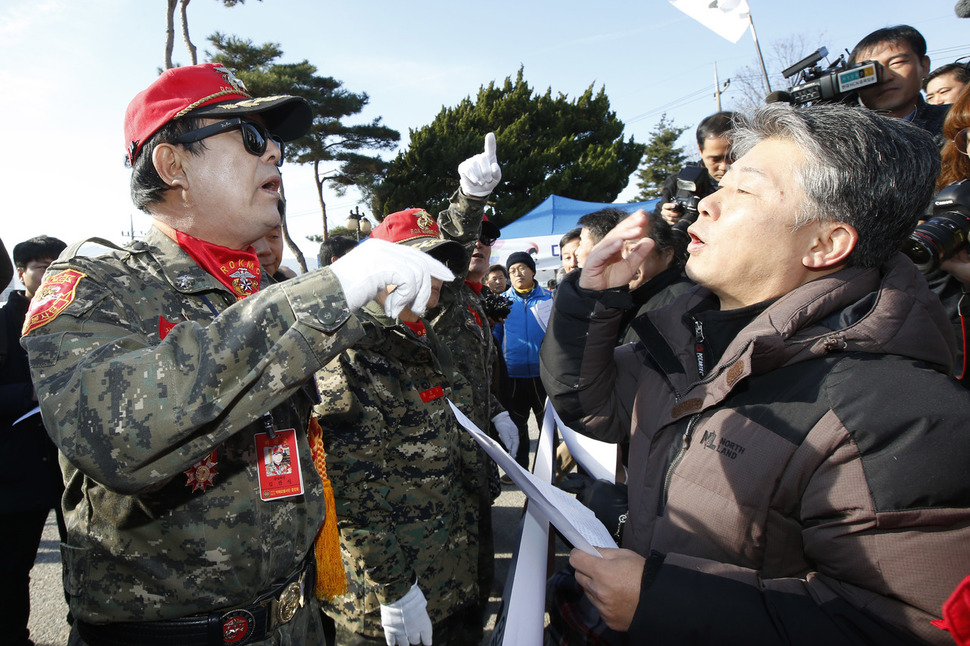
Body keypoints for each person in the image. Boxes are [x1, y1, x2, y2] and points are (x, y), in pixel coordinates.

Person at [20, 63, 453, 646]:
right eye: (250, 137)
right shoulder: (99, 281)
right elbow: (110, 435)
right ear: (173, 165)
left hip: (295, 623)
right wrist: (329, 289)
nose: (275, 152)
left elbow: (404, 372)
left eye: (274, 140)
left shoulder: (260, 294)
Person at [540, 102, 970, 644]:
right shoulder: (689, 335)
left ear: (825, 244)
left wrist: (661, 602)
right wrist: (589, 301)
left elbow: (899, 626)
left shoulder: (898, 415)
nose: (706, 204)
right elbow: (592, 405)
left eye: (744, 191)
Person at [315, 208, 477, 646]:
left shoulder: (417, 334)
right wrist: (395, 590)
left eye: (441, 263)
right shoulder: (350, 351)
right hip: (387, 599)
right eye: (423, 262)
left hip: (445, 575)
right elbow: (353, 492)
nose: (438, 274)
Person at [1, 235, 68, 646]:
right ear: (21, 271)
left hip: (73, 467)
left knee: (88, 560)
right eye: (41, 265)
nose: (49, 273)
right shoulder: (4, 324)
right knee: (11, 568)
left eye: (57, 264)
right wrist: (28, 393)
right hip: (18, 468)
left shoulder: (73, 319)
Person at [497, 250, 552, 469]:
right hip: (514, 375)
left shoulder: (549, 299)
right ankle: (518, 470)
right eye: (512, 271)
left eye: (521, 268)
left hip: (543, 375)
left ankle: (549, 472)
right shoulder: (501, 302)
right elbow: (495, 337)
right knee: (516, 425)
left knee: (547, 427)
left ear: (532, 270)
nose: (517, 273)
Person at [849, 24, 949, 143]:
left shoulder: (956, 121)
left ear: (924, 66)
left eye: (897, 63)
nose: (885, 77)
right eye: (869, 72)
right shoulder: (847, 137)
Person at [656, 111, 735, 226]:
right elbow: (655, 223)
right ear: (700, 150)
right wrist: (664, 218)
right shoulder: (678, 183)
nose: (723, 166)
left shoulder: (761, 183)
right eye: (715, 159)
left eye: (732, 157)